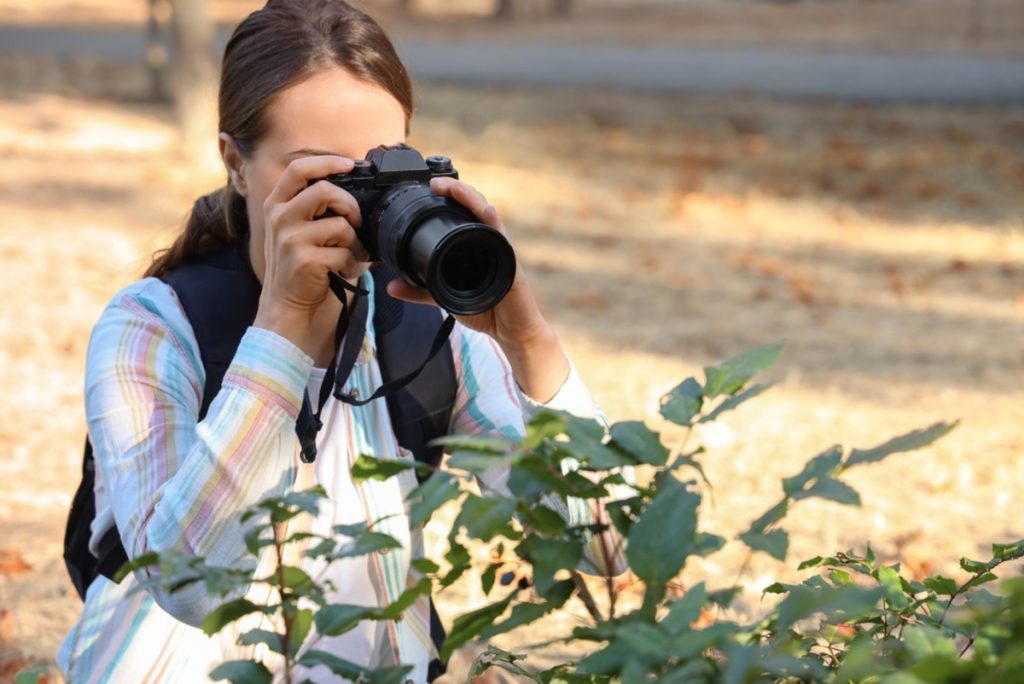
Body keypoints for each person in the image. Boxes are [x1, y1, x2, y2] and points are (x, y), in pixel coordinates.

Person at [57, 0, 627, 681]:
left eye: (384, 170)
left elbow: (606, 546)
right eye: (321, 176)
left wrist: (529, 341)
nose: (359, 206)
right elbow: (190, 585)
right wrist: (281, 332)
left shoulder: (424, 329)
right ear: (234, 163)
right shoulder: (153, 329)